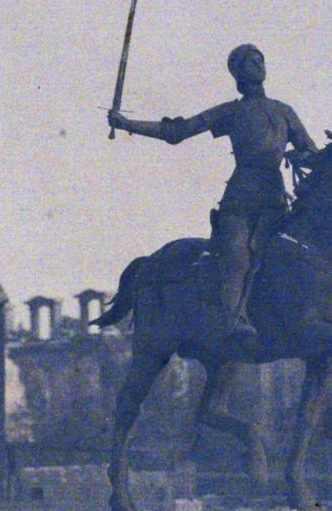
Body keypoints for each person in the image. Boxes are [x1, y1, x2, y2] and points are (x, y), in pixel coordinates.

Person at [109, 43, 318, 347]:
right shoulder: (231, 111)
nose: (257, 65)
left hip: (276, 200)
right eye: (248, 62)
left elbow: (311, 152)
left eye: (259, 60)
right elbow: (178, 132)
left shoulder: (284, 111)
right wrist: (128, 124)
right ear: (237, 73)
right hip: (240, 202)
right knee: (236, 254)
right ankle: (233, 321)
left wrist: (302, 156)